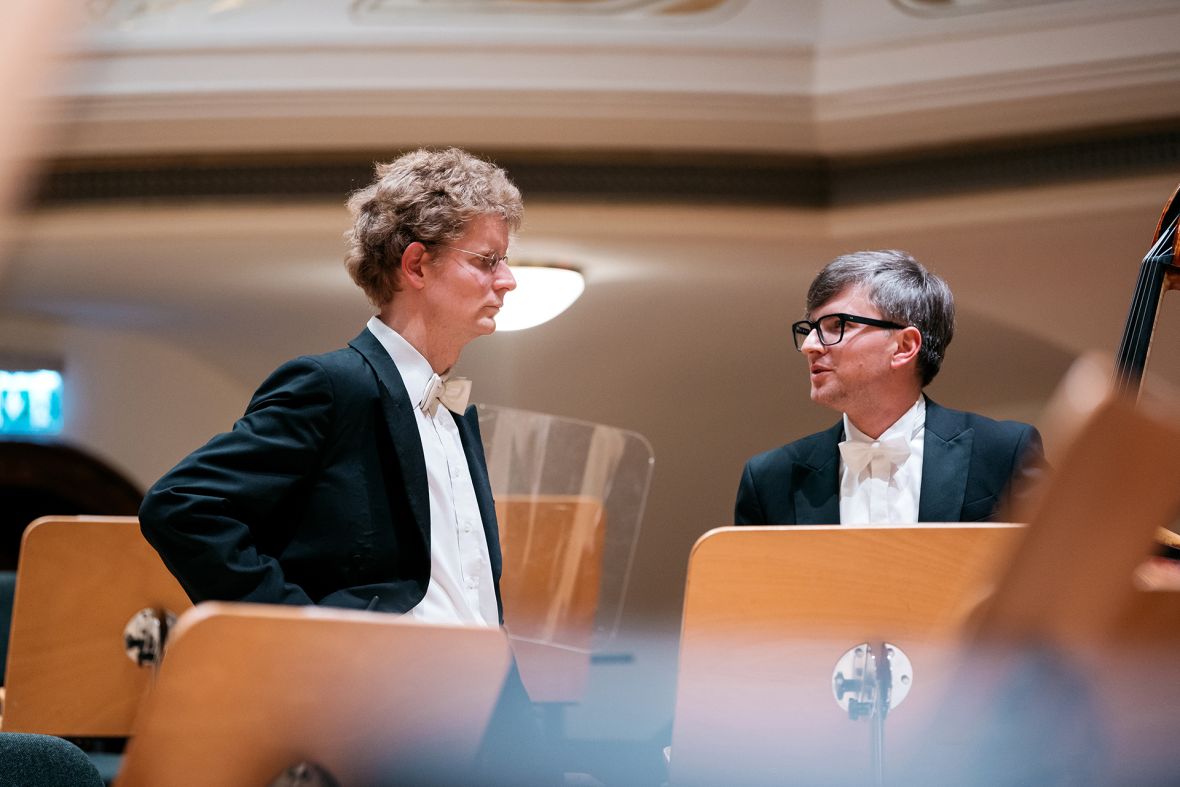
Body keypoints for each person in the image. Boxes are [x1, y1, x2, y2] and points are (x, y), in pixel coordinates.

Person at [139, 147, 542, 783]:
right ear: (416, 264)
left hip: (476, 733)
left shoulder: (455, 410)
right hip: (374, 726)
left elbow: (470, 596)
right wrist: (310, 642)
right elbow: (183, 506)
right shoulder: (331, 384)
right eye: (487, 260)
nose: (508, 279)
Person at [735, 249, 1044, 526]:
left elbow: (1064, 576)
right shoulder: (770, 479)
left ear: (904, 346)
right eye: (811, 329)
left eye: (836, 326)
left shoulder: (1004, 453)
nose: (811, 346)